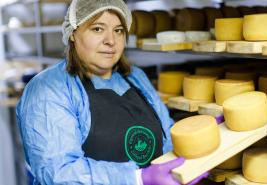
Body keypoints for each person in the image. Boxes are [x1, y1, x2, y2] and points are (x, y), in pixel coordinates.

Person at [16, 0, 209, 184]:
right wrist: (138, 179)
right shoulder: (48, 90)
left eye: (118, 31)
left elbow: (166, 135)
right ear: (73, 33)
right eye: (97, 29)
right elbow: (57, 172)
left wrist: (195, 144)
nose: (111, 41)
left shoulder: (135, 77)